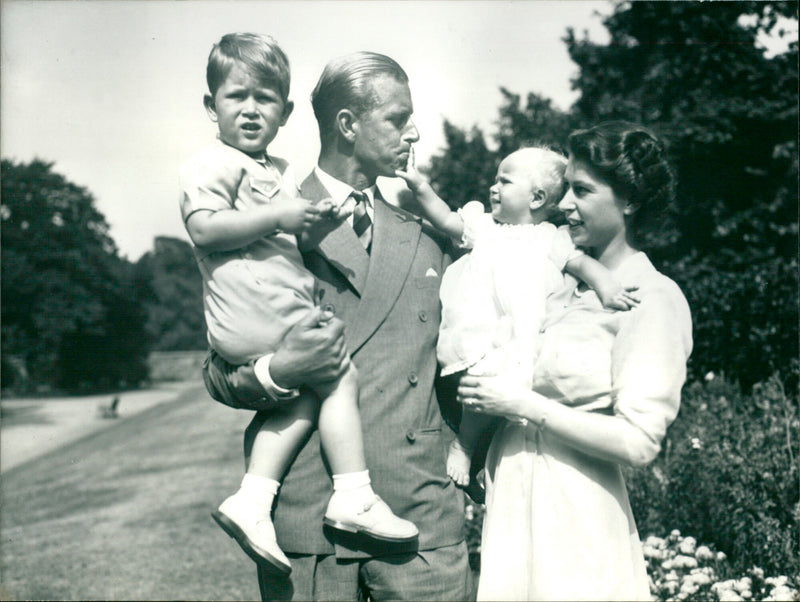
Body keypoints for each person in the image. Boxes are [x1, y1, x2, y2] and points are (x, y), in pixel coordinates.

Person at [202, 51, 473, 601]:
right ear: (348, 125)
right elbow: (217, 371)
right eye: (399, 118)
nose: (414, 132)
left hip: (420, 522)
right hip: (308, 527)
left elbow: (462, 361)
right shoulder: (263, 221)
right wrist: (279, 371)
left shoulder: (426, 236)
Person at [180, 34, 417, 576]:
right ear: (210, 106)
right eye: (235, 97)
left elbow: (290, 246)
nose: (250, 110)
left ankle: (252, 499)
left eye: (264, 99)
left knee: (315, 393)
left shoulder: (280, 175)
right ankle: (351, 493)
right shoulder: (213, 165)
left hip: (413, 491)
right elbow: (204, 229)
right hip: (256, 318)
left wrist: (314, 230)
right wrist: (283, 217)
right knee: (336, 376)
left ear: (286, 112)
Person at [456, 122, 693, 600]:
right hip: (512, 506)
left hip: (576, 517)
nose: (564, 204)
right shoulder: (555, 284)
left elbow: (639, 441)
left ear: (629, 201)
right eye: (566, 189)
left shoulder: (653, 298)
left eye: (581, 191)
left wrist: (523, 403)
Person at [396, 146, 639, 489]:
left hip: (522, 334)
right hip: (481, 327)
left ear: (537, 197)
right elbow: (447, 220)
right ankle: (463, 445)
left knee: (507, 396)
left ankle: (479, 460)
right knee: (483, 385)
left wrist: (607, 286)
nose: (493, 188)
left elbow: (583, 264)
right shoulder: (485, 227)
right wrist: (420, 186)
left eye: (505, 181)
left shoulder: (552, 239)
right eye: (495, 180)